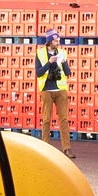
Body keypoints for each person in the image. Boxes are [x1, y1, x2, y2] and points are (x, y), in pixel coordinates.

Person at [36, 27, 74, 158]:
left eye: (58, 40)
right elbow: (38, 73)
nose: (58, 42)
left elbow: (68, 73)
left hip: (61, 90)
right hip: (47, 90)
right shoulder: (40, 53)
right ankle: (45, 148)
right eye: (56, 40)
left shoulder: (62, 53)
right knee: (46, 119)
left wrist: (64, 63)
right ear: (49, 41)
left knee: (64, 119)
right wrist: (49, 63)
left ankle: (67, 148)